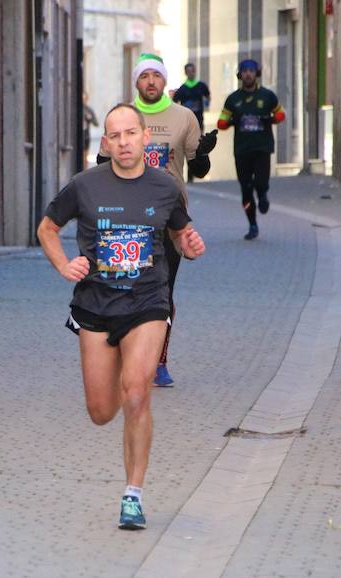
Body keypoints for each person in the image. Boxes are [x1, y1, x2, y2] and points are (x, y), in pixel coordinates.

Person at [37, 103, 206, 530]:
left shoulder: (165, 187)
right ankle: (116, 375)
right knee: (100, 411)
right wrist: (64, 264)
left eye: (131, 133)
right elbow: (47, 228)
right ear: (106, 143)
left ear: (145, 137)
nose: (124, 142)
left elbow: (179, 232)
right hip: (95, 304)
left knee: (137, 395)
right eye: (115, 136)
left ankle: (133, 494)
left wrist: (189, 245)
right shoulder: (85, 185)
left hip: (148, 301)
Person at [98, 53, 216, 388]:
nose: (151, 81)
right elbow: (102, 164)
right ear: (136, 80)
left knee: (162, 291)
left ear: (165, 80)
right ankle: (127, 355)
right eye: (144, 76)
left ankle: (159, 361)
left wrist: (203, 152)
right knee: (125, 288)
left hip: (169, 216)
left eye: (156, 75)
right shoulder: (121, 116)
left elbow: (199, 170)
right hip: (127, 213)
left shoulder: (184, 117)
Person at [217, 59, 285, 240]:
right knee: (246, 189)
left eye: (251, 71)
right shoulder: (233, 99)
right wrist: (232, 122)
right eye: (245, 71)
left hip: (262, 147)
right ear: (240, 75)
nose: (248, 74)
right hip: (242, 149)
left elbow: (281, 114)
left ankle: (263, 195)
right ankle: (252, 224)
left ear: (257, 74)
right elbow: (221, 122)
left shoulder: (267, 96)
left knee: (261, 182)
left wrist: (270, 119)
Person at [172, 63, 211, 133]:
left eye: (192, 71)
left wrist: (207, 104)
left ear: (195, 71)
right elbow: (174, 101)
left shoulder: (201, 86)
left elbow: (207, 96)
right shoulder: (182, 89)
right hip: (186, 119)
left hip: (199, 118)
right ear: (185, 73)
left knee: (199, 135)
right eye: (188, 71)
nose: (191, 73)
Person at [82, 92, 99, 165]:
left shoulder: (89, 110)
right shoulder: (75, 109)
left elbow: (96, 123)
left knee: (85, 156)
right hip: (76, 136)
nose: (83, 101)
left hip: (85, 135)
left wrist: (90, 118)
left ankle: (85, 169)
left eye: (85, 99)